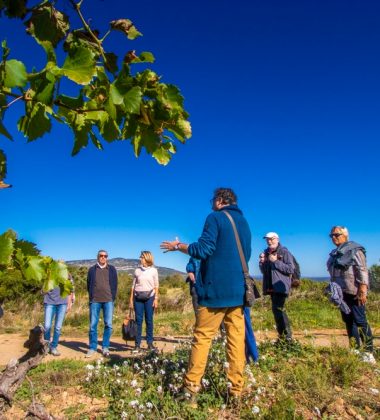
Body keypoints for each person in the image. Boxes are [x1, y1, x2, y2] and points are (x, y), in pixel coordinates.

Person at [161, 187, 251, 404]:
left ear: (220, 200)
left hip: (214, 292)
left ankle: (190, 389)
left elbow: (203, 249)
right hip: (238, 292)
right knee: (236, 341)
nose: (211, 203)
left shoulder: (215, 217)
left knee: (202, 338)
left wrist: (179, 246)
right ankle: (235, 392)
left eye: (213, 200)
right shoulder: (244, 223)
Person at [327, 226, 374, 360]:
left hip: (355, 291)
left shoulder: (354, 250)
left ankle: (368, 352)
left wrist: (363, 289)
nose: (334, 237)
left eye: (337, 234)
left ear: (345, 235)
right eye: (331, 236)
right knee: (349, 321)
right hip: (341, 293)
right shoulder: (335, 252)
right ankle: (355, 349)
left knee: (360, 320)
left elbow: (362, 269)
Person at [259, 232, 294, 342]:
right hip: (271, 287)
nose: (269, 241)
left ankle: (286, 338)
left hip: (280, 286)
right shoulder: (266, 253)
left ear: (277, 239)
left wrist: (276, 261)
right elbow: (264, 271)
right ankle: (283, 338)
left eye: (272, 239)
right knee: (277, 311)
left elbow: (290, 269)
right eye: (267, 239)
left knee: (278, 310)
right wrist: (262, 263)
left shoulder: (284, 252)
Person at [86, 250, 118, 358]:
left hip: (108, 300)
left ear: (107, 257)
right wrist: (91, 296)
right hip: (95, 300)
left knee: (108, 324)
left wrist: (113, 297)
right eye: (101, 256)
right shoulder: (92, 270)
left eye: (105, 256)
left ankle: (105, 347)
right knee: (93, 325)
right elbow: (88, 284)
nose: (103, 257)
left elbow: (115, 284)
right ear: (98, 257)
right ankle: (92, 347)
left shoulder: (112, 269)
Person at [129, 251, 159, 351]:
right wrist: (131, 300)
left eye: (142, 257)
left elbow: (156, 285)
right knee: (138, 321)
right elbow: (133, 286)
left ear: (147, 258)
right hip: (137, 298)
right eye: (140, 257)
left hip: (150, 297)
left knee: (149, 320)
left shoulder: (154, 270)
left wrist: (156, 299)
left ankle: (149, 343)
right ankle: (137, 345)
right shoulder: (137, 270)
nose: (140, 259)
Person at [43, 274, 75, 356]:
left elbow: (71, 291)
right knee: (47, 326)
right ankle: (46, 346)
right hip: (50, 303)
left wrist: (69, 304)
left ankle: (53, 347)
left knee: (58, 327)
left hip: (62, 304)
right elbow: (42, 291)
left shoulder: (68, 277)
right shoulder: (49, 276)